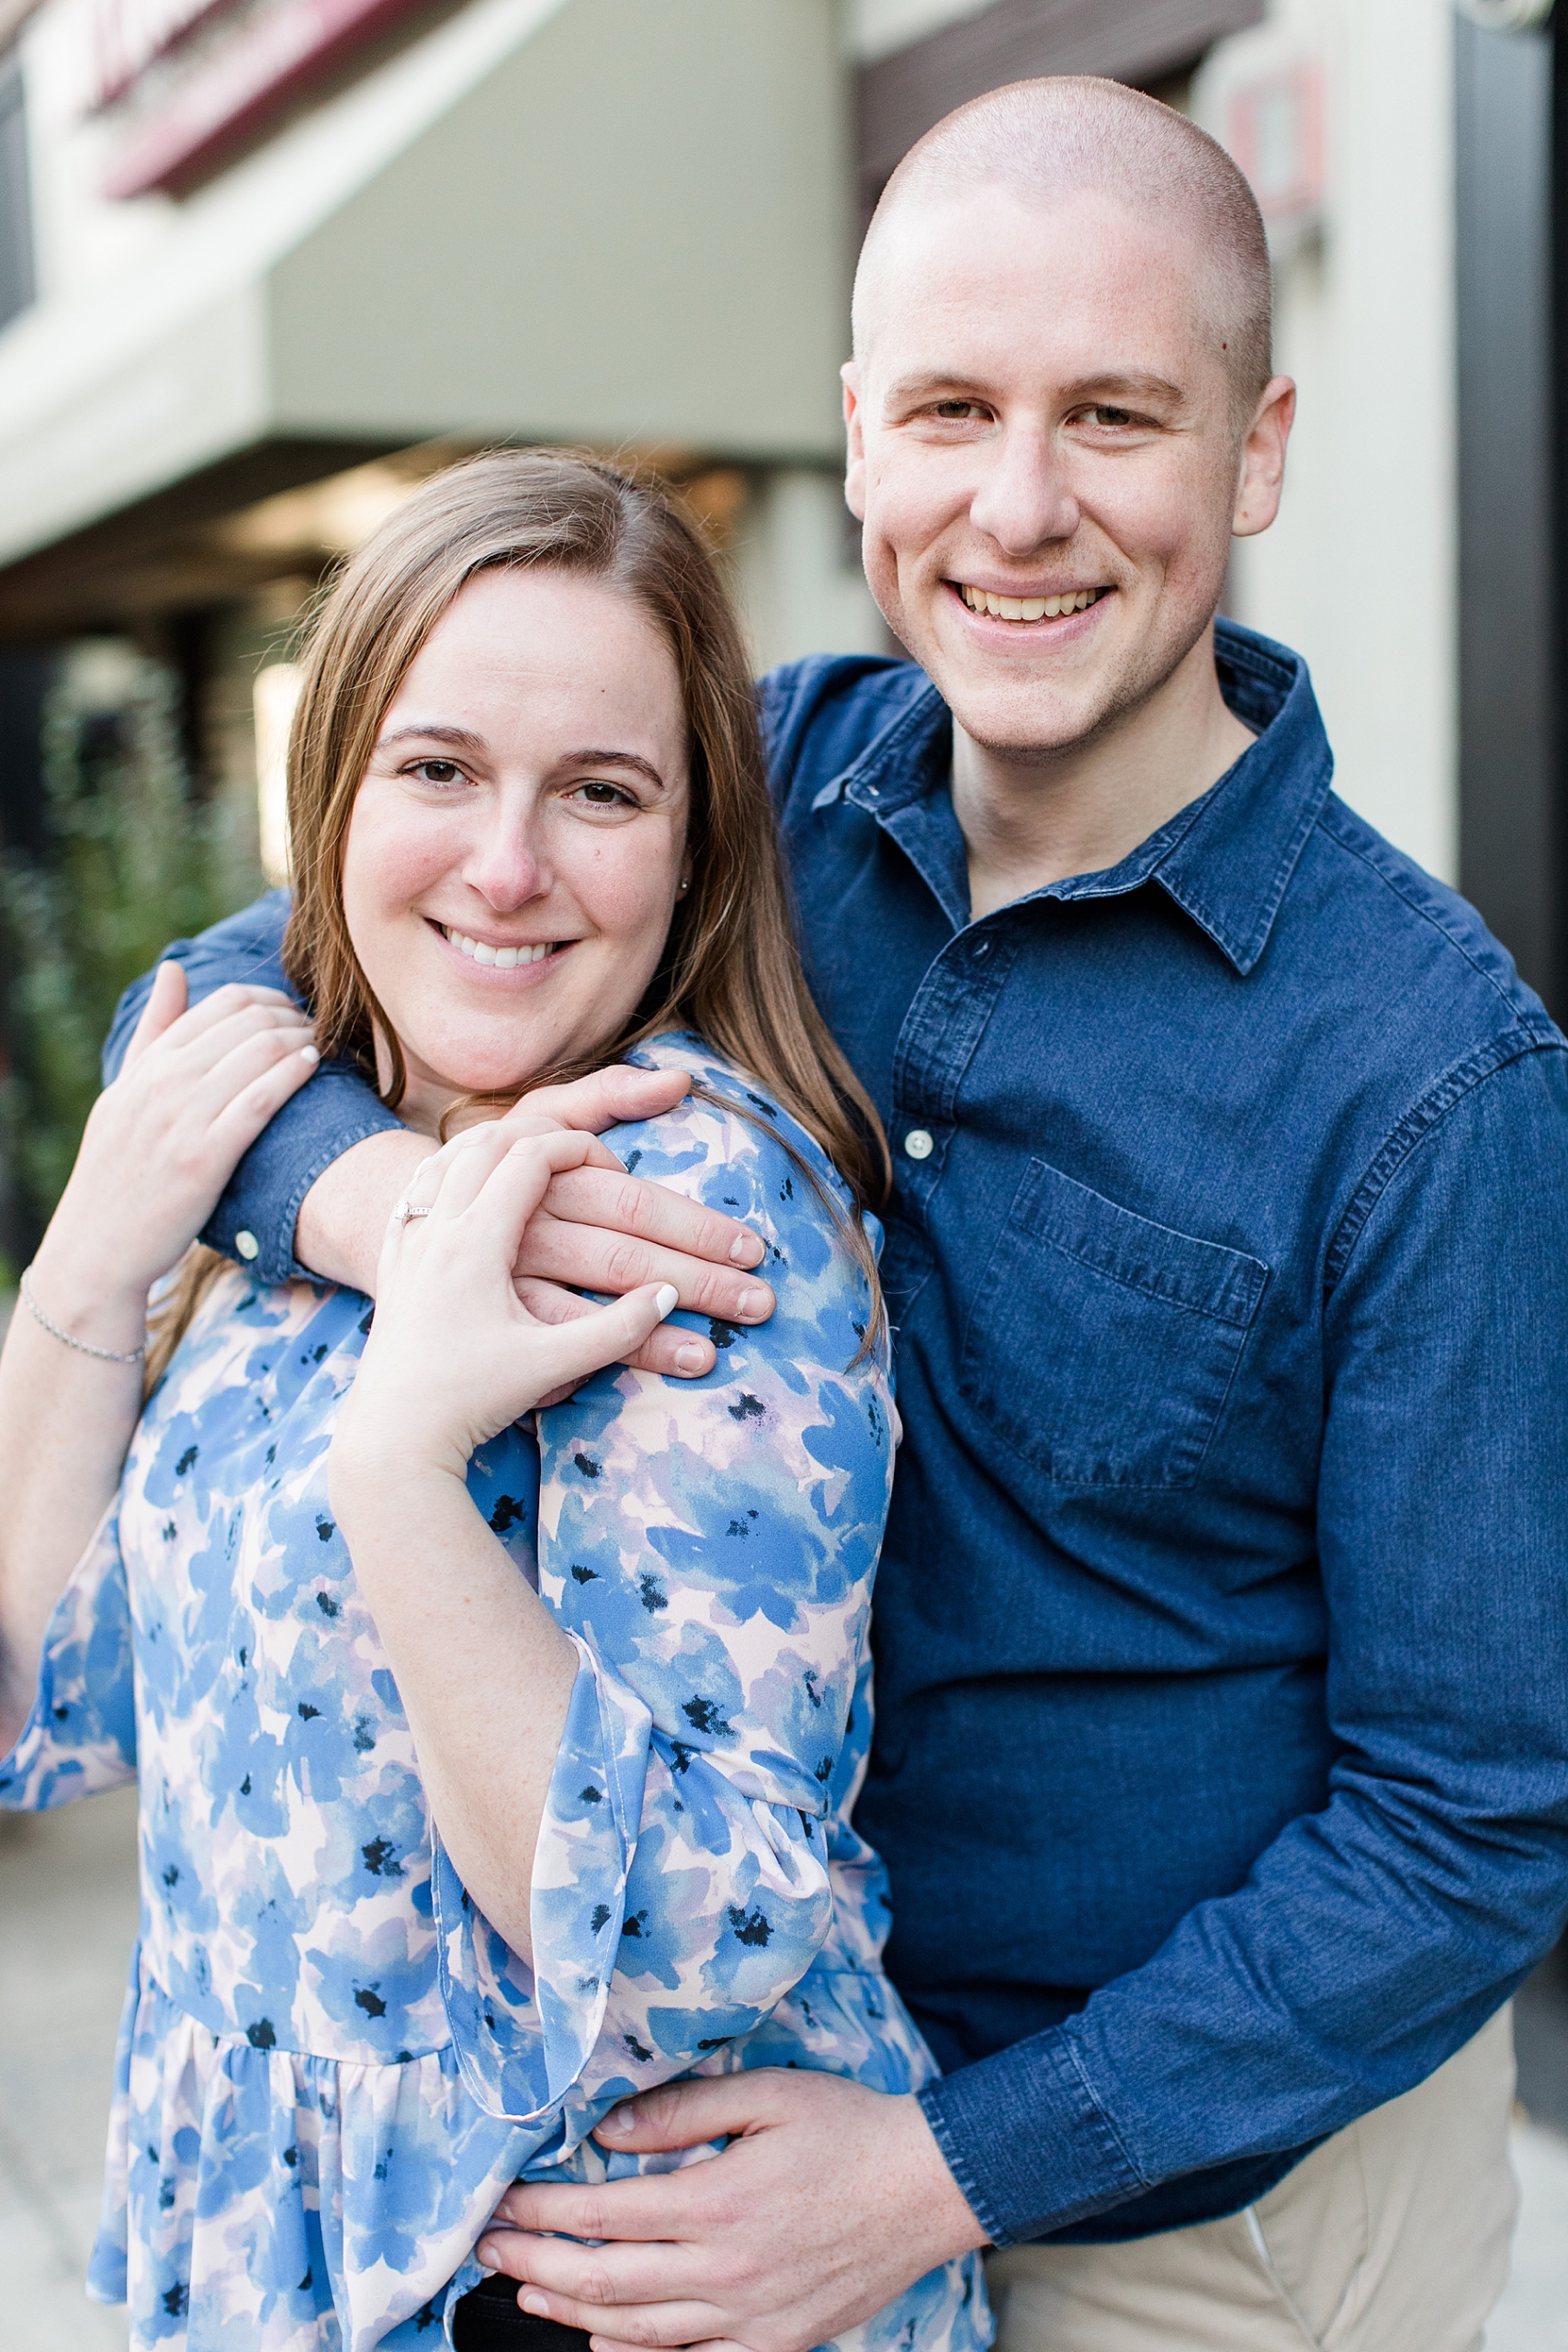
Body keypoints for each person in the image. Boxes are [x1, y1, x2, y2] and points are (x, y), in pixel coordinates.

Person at [101, 75, 1568, 2352]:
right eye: (955, 410)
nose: (1019, 506)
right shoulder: (750, 776)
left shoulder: (1429, 1075)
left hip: (1192, 2219)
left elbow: (1462, 1821)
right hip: (707, 2108)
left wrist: (933, 2169)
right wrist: (412, 1217)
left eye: (1114, 417)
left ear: (1255, 451)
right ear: (856, 435)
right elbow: (214, 998)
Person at [0, 451, 991, 2352]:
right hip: (262, 2241)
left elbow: (686, 1940)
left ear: (694, 850)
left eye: (598, 792)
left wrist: (400, 1471)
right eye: (437, 768)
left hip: (564, 2273)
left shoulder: (674, 1202)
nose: (506, 864)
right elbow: (46, 1701)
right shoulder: (305, 1144)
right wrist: (92, 1256)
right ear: (336, 790)